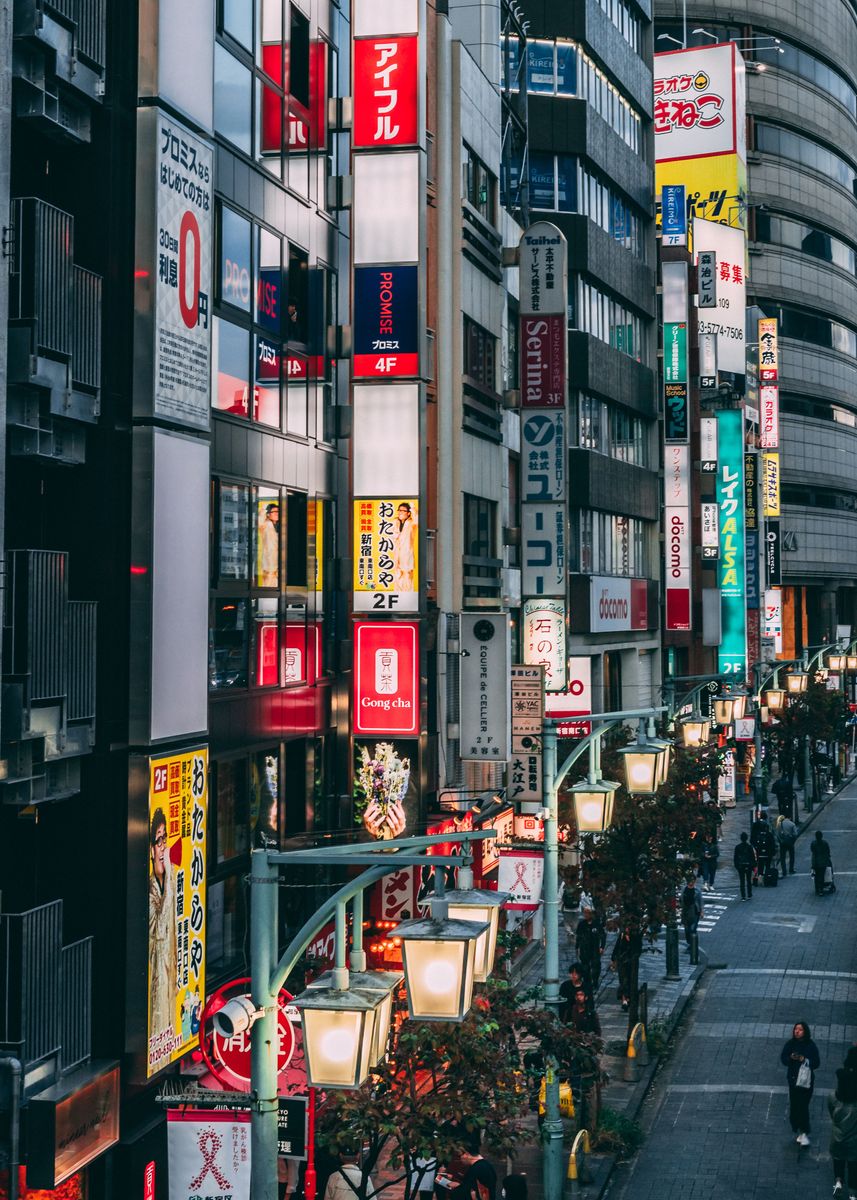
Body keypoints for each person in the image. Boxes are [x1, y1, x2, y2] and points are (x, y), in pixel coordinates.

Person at [148, 807, 177, 1059]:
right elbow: (159, 927)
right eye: (158, 841)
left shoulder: (169, 879)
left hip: (169, 980)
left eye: (164, 838)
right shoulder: (151, 887)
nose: (163, 847)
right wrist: (169, 879)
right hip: (154, 979)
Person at [780, 1021, 821, 1146]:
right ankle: (798, 1128)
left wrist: (805, 1059)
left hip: (805, 1082)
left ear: (805, 1032)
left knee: (803, 1106)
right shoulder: (790, 1044)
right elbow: (784, 1059)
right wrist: (791, 1058)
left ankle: (804, 1131)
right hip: (793, 1082)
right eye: (795, 1029)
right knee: (795, 1106)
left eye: (800, 1030)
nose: (797, 1031)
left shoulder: (810, 1046)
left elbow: (816, 1063)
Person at [830, 1056, 857, 1199]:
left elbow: (831, 1113)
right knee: (853, 1166)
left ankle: (838, 1181)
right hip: (853, 1141)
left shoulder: (834, 1098)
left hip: (837, 1137)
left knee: (838, 1160)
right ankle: (853, 1192)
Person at [609, 926, 642, 1012]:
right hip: (622, 961)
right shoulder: (622, 935)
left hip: (631, 962)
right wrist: (613, 959)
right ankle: (624, 1000)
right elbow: (617, 947)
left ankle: (629, 998)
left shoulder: (635, 937)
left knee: (630, 980)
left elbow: (638, 949)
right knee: (623, 980)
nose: (627, 929)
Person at [575, 906, 606, 996]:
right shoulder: (582, 924)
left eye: (588, 913)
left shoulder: (597, 924)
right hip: (584, 949)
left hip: (594, 949)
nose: (586, 915)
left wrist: (602, 947)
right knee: (585, 968)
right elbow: (579, 936)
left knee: (595, 966)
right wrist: (577, 947)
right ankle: (587, 983)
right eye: (585, 913)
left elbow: (602, 936)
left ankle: (595, 982)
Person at [391, 502, 418, 592]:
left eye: (403, 511)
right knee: (397, 575)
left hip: (407, 554)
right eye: (399, 510)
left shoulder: (411, 524)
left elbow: (417, 520)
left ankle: (408, 597)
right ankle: (398, 596)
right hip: (397, 554)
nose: (400, 512)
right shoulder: (396, 522)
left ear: (408, 513)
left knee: (407, 577)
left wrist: (413, 508)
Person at [751, 810, 776, 885]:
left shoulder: (755, 824)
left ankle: (759, 879)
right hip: (767, 850)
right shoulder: (768, 825)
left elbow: (752, 838)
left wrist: (754, 847)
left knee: (759, 864)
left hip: (758, 849)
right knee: (768, 865)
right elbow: (772, 839)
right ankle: (767, 879)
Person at [258, 501, 280, 587]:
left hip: (278, 565)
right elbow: (259, 520)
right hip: (269, 565)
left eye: (278, 512)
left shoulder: (280, 526)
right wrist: (264, 508)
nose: (277, 514)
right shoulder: (266, 525)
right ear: (268, 514)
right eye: (274, 512)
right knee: (268, 587)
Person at [680, 875, 703, 949]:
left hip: (695, 911)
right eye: (690, 881)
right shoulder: (684, 889)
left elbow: (700, 901)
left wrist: (701, 911)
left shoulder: (697, 890)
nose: (691, 883)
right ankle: (690, 942)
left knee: (693, 928)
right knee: (687, 929)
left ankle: (693, 944)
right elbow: (681, 899)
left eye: (693, 881)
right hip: (686, 911)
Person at [733, 832, 757, 901]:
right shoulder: (749, 847)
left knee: (742, 881)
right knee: (749, 880)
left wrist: (737, 866)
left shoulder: (737, 847)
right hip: (748, 865)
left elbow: (735, 858)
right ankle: (749, 894)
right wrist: (753, 866)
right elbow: (753, 857)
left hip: (740, 866)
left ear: (741, 838)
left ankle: (743, 896)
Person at [811, 829, 834, 896]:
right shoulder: (825, 843)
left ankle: (817, 888)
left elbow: (812, 851)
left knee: (816, 875)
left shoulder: (813, 843)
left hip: (815, 862)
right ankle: (821, 889)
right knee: (821, 875)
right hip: (823, 862)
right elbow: (828, 851)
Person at [776, 814, 798, 878]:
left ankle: (784, 871)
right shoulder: (792, 824)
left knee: (782, 857)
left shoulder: (780, 824)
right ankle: (791, 869)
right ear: (790, 818)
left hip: (783, 843)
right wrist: (792, 840)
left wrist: (780, 841)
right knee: (792, 856)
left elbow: (778, 834)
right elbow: (795, 834)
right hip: (790, 842)